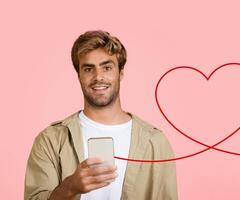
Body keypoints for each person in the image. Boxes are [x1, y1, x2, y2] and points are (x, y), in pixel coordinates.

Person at [24, 30, 178, 200]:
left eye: (107, 67)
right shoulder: (50, 140)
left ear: (120, 73)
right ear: (79, 76)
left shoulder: (155, 142)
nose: (98, 77)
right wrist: (70, 187)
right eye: (89, 69)